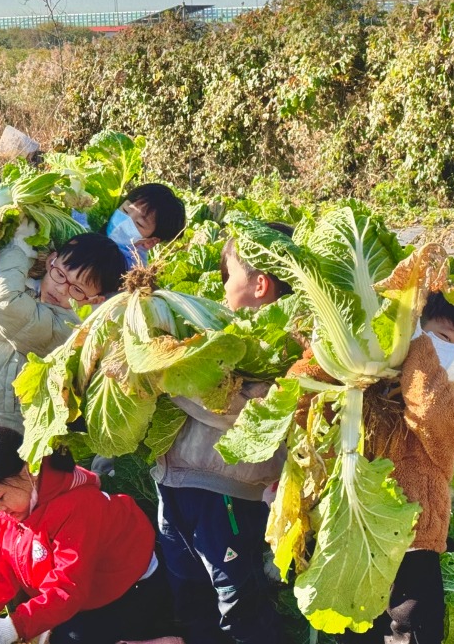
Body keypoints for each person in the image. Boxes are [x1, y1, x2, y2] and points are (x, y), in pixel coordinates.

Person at [290, 287, 454, 643]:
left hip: (416, 536)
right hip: (354, 523)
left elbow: (429, 411)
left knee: (413, 625)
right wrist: (331, 351)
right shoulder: (367, 383)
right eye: (442, 337)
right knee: (356, 625)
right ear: (416, 327)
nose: (450, 352)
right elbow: (303, 398)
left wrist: (419, 348)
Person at [151, 223, 295, 644]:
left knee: (236, 600)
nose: (221, 289)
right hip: (173, 481)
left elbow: (245, 411)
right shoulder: (219, 332)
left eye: (227, 276)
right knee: (189, 593)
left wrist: (170, 375)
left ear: (260, 285)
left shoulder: (288, 346)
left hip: (228, 492)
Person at [0, 426, 171, 644]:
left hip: (129, 589)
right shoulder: (17, 506)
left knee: (70, 638)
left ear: (28, 471)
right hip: (84, 591)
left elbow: (67, 587)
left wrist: (15, 627)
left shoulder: (78, 507)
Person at [0, 232, 126, 434]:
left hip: (4, 435)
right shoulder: (27, 294)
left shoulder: (67, 330)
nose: (61, 290)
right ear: (51, 260)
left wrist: (18, 249)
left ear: (95, 300)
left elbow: (1, 301)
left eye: (77, 289)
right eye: (60, 275)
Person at [102, 183, 186, 269]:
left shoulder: (130, 269)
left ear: (150, 242)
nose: (124, 222)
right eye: (125, 210)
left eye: (139, 223)